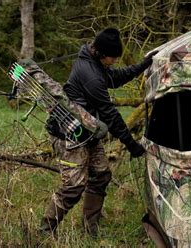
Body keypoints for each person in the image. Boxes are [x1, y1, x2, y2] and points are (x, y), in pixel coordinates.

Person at [39, 27, 158, 239]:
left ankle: (90, 228)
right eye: (112, 58)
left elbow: (116, 77)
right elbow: (110, 115)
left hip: (88, 132)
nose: (114, 62)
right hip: (70, 137)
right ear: (102, 54)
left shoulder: (96, 64)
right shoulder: (91, 74)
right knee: (73, 187)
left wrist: (143, 65)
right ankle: (45, 232)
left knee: (101, 175)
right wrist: (131, 145)